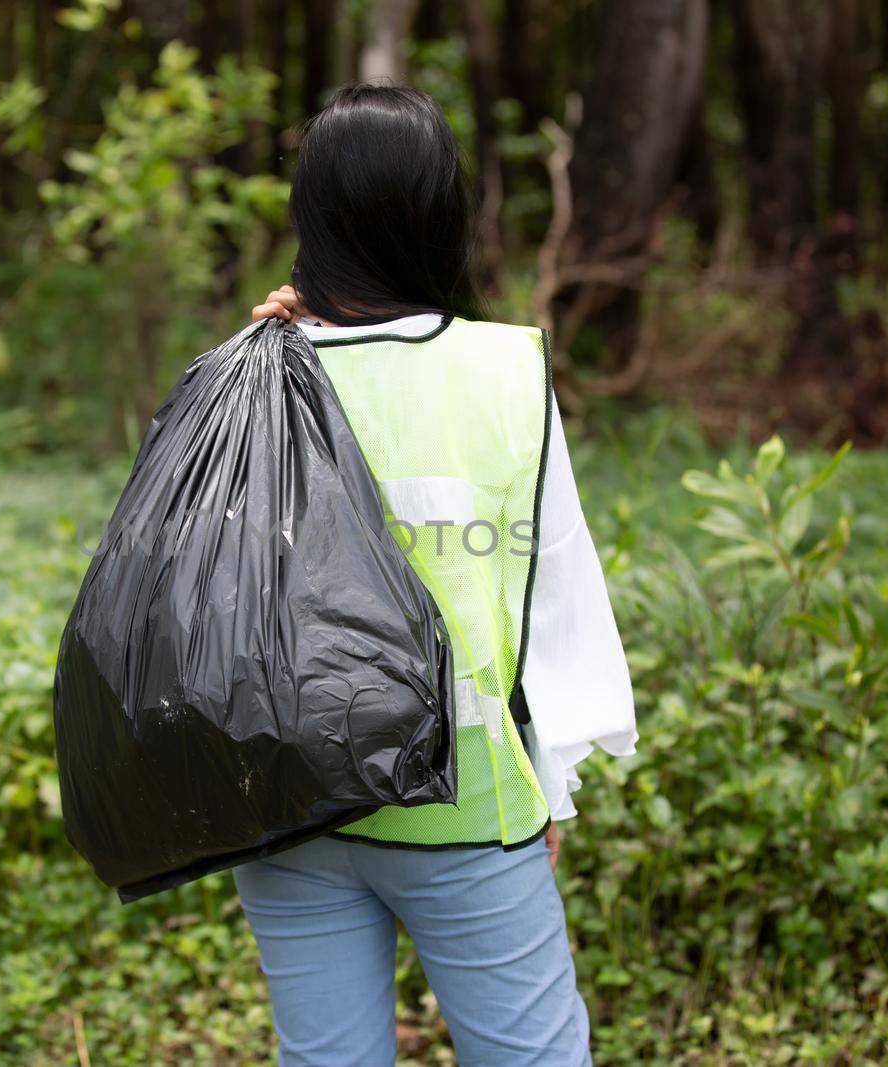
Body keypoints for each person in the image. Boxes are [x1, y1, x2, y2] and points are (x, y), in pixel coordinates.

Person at [238, 84, 640, 1066]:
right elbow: (557, 598)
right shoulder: (507, 371)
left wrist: (279, 339)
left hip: (289, 805)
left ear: (313, 219)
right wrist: (558, 777)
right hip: (468, 804)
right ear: (439, 212)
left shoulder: (259, 367)